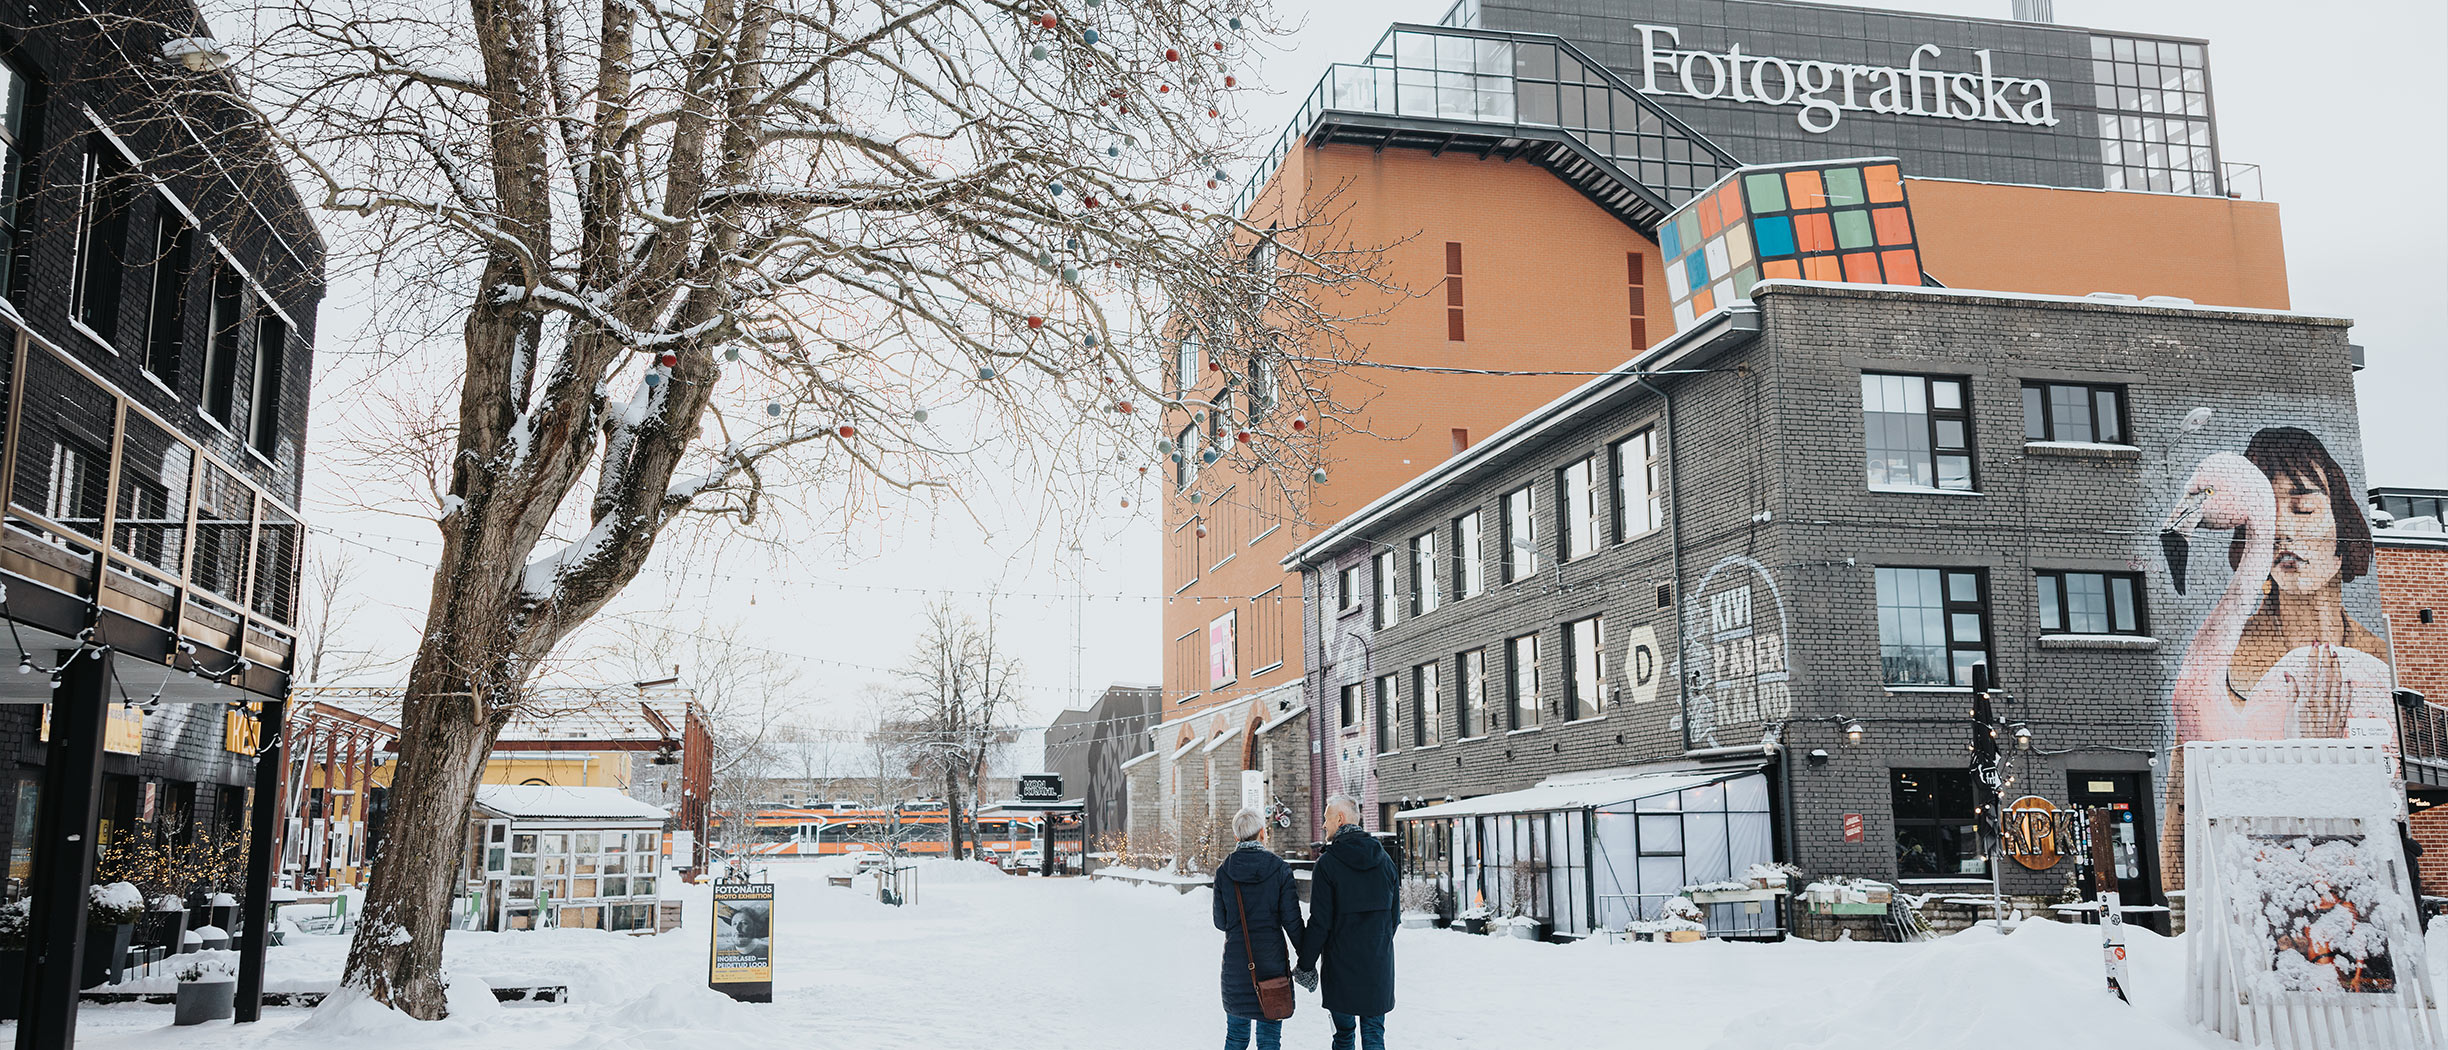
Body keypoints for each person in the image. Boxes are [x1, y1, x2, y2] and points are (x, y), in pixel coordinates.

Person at [1297, 795, 1397, 1050]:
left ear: (1340, 819)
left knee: (1343, 1036)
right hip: (1377, 966)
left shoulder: (1327, 864)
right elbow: (1394, 917)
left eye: (1326, 818)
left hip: (1340, 967)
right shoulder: (1385, 861)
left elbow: (1320, 923)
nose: (1323, 825)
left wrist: (1305, 965)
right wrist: (1377, 943)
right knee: (1374, 1035)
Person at [1214, 807, 1300, 1050]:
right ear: (1263, 832)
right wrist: (1307, 959)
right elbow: (1292, 922)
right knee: (1269, 1040)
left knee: (1236, 1038)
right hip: (1272, 966)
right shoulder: (1280, 869)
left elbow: (1220, 922)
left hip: (1236, 967)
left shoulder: (1224, 872)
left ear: (1236, 836)